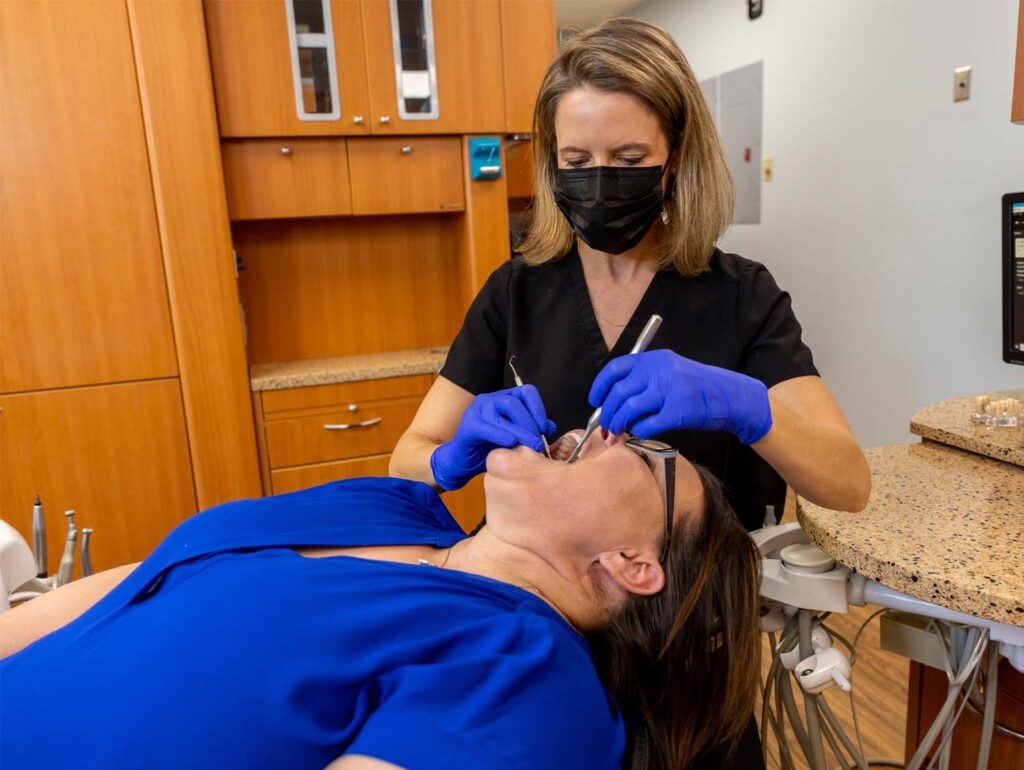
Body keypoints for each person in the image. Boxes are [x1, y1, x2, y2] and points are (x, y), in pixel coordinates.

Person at [1, 431, 761, 770]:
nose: (617, 431)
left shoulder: (530, 683)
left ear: (633, 564)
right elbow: (145, 579)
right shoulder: (393, 508)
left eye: (653, 456)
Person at [389, 18, 870, 534]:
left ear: (676, 157)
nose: (598, 179)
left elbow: (849, 486)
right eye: (577, 160)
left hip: (685, 598)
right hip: (539, 581)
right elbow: (406, 461)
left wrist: (745, 407)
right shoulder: (515, 292)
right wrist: (449, 460)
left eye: (628, 157)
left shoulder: (743, 297)